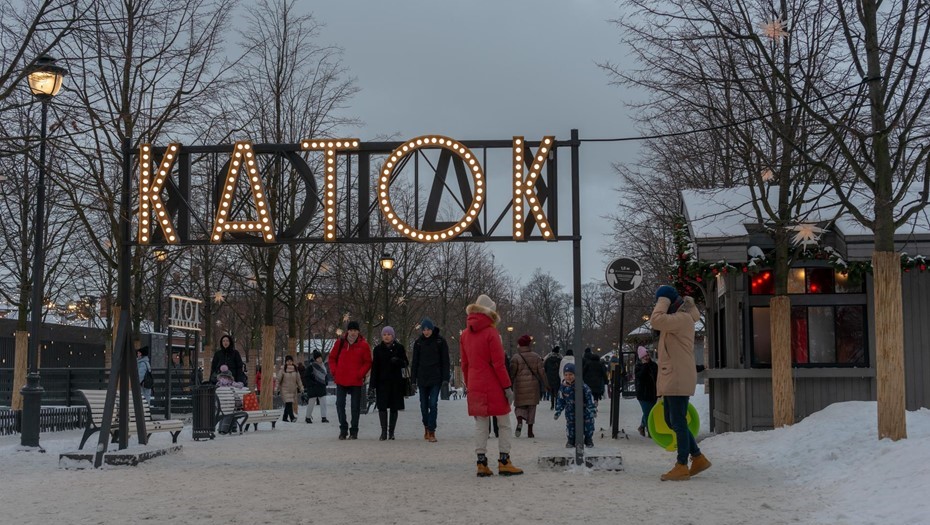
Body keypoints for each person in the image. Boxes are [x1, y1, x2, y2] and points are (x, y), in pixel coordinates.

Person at [651, 285, 711, 481]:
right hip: (673, 375)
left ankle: (682, 465)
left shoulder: (682, 319)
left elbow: (656, 320)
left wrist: (663, 299)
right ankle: (698, 457)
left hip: (677, 376)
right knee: (672, 420)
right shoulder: (679, 319)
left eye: (662, 302)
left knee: (677, 421)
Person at [460, 294, 522, 477]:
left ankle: (481, 462)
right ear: (491, 312)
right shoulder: (491, 333)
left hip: (476, 383)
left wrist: (469, 384)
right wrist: (507, 387)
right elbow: (498, 364)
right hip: (494, 383)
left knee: (481, 425)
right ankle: (504, 460)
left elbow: (465, 364)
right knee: (503, 423)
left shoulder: (464, 335)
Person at [329, 321, 372, 440]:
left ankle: (354, 430)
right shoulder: (340, 343)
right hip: (341, 379)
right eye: (351, 330)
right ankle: (343, 429)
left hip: (356, 380)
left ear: (358, 331)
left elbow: (368, 362)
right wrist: (335, 371)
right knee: (340, 404)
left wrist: (360, 373)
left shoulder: (363, 345)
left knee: (355, 407)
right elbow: (332, 358)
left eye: (355, 330)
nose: (353, 333)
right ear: (348, 331)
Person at [411, 317, 450, 442]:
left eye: (428, 329)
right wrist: (413, 380)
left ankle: (432, 430)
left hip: (435, 377)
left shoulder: (440, 342)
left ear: (432, 329)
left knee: (433, 404)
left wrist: (445, 378)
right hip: (422, 378)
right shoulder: (418, 343)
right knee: (423, 405)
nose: (426, 332)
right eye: (424, 329)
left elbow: (445, 361)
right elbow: (415, 362)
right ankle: (426, 426)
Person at [371, 326, 408, 440]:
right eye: (384, 334)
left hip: (396, 382)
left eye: (389, 334)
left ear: (393, 335)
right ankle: (383, 432)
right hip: (382, 382)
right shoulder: (377, 349)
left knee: (394, 407)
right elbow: (375, 367)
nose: (386, 336)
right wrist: (372, 384)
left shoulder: (399, 348)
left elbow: (405, 363)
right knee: (382, 407)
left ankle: (391, 432)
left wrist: (398, 361)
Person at [509, 334, 548, 438]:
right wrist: (546, 385)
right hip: (533, 387)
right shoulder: (536, 356)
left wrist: (509, 385)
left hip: (520, 385)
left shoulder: (515, 357)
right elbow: (542, 372)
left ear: (519, 345)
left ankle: (520, 421)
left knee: (519, 406)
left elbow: (512, 373)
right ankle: (530, 431)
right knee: (532, 408)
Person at [554, 363, 596, 448]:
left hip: (585, 411)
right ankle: (571, 440)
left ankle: (588, 439)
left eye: (571, 374)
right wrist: (558, 411)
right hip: (570, 412)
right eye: (566, 375)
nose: (568, 377)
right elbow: (560, 400)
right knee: (570, 426)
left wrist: (592, 409)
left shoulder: (583, 387)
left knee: (588, 425)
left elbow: (589, 398)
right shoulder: (563, 388)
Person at [634, 346, 658, 437]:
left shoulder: (654, 365)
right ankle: (651, 432)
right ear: (641, 358)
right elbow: (641, 377)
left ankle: (642, 426)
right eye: (644, 356)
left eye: (647, 355)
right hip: (643, 395)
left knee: (650, 411)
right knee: (648, 413)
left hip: (653, 393)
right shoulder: (638, 367)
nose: (647, 357)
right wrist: (645, 365)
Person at [303, 351, 330, 423]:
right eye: (318, 358)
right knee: (311, 403)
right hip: (313, 388)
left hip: (321, 387)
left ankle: (324, 417)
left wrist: (326, 382)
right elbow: (306, 377)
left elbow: (325, 375)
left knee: (323, 403)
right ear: (315, 359)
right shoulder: (311, 367)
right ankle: (308, 417)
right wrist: (312, 383)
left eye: (320, 357)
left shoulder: (323, 366)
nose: (320, 359)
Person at [276, 355, 303, 422]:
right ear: (286, 362)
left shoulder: (295, 369)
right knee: (288, 403)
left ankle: (284, 418)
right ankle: (292, 417)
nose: (289, 362)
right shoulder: (283, 370)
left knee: (289, 403)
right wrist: (276, 388)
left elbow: (298, 380)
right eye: (288, 361)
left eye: (290, 361)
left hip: (293, 390)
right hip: (285, 389)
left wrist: (301, 388)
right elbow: (278, 379)